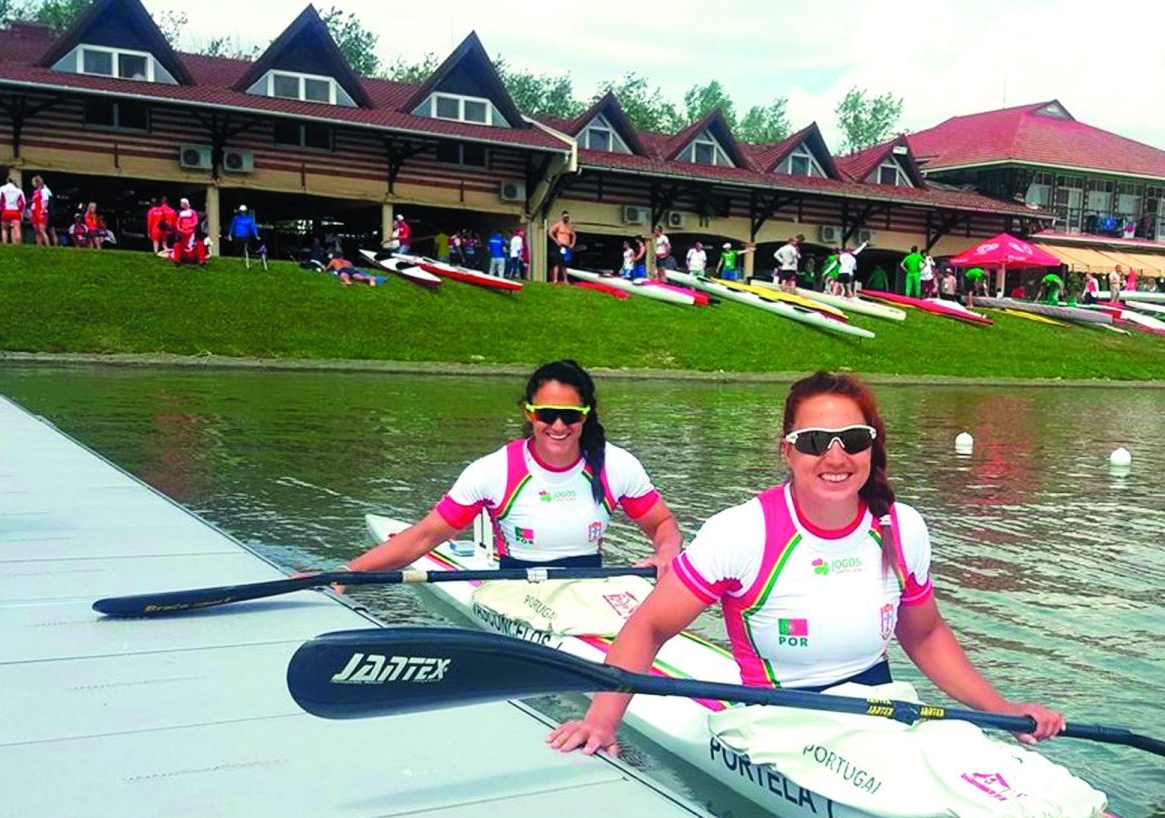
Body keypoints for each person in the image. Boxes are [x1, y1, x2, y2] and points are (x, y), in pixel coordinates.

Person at [547, 372, 1064, 757]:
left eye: (853, 441)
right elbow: (650, 626)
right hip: (777, 725)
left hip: (881, 706)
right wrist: (602, 721)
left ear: (872, 447)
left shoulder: (903, 527)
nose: (835, 458)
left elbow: (925, 636)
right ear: (787, 452)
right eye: (815, 442)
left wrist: (1000, 711)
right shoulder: (743, 532)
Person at [343, 360, 682, 579]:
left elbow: (663, 524)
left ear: (586, 414)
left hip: (589, 590)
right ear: (529, 413)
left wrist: (665, 552)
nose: (559, 426)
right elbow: (425, 537)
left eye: (571, 416)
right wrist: (346, 573)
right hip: (512, 591)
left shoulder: (617, 465)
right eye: (547, 415)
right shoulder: (493, 472)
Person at [0, 176, 25, 245]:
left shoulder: (2, 188)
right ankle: (17, 245)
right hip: (15, 211)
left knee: (4, 229)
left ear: (7, 180)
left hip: (6, 211)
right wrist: (21, 211)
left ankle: (4, 244)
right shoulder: (19, 190)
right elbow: (23, 202)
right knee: (17, 229)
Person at [550, 211, 576, 283]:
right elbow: (550, 232)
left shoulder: (569, 227)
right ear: (562, 217)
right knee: (557, 262)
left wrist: (572, 244)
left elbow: (574, 236)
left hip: (567, 246)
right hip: (560, 245)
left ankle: (565, 280)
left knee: (565, 264)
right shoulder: (558, 225)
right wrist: (556, 241)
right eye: (565, 217)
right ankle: (555, 279)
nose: (566, 219)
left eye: (567, 217)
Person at [27, 175, 53, 246]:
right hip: (34, 211)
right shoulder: (35, 192)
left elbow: (45, 201)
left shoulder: (44, 191)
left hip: (41, 211)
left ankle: (48, 245)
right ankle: (39, 245)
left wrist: (43, 210)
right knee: (36, 230)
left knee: (42, 230)